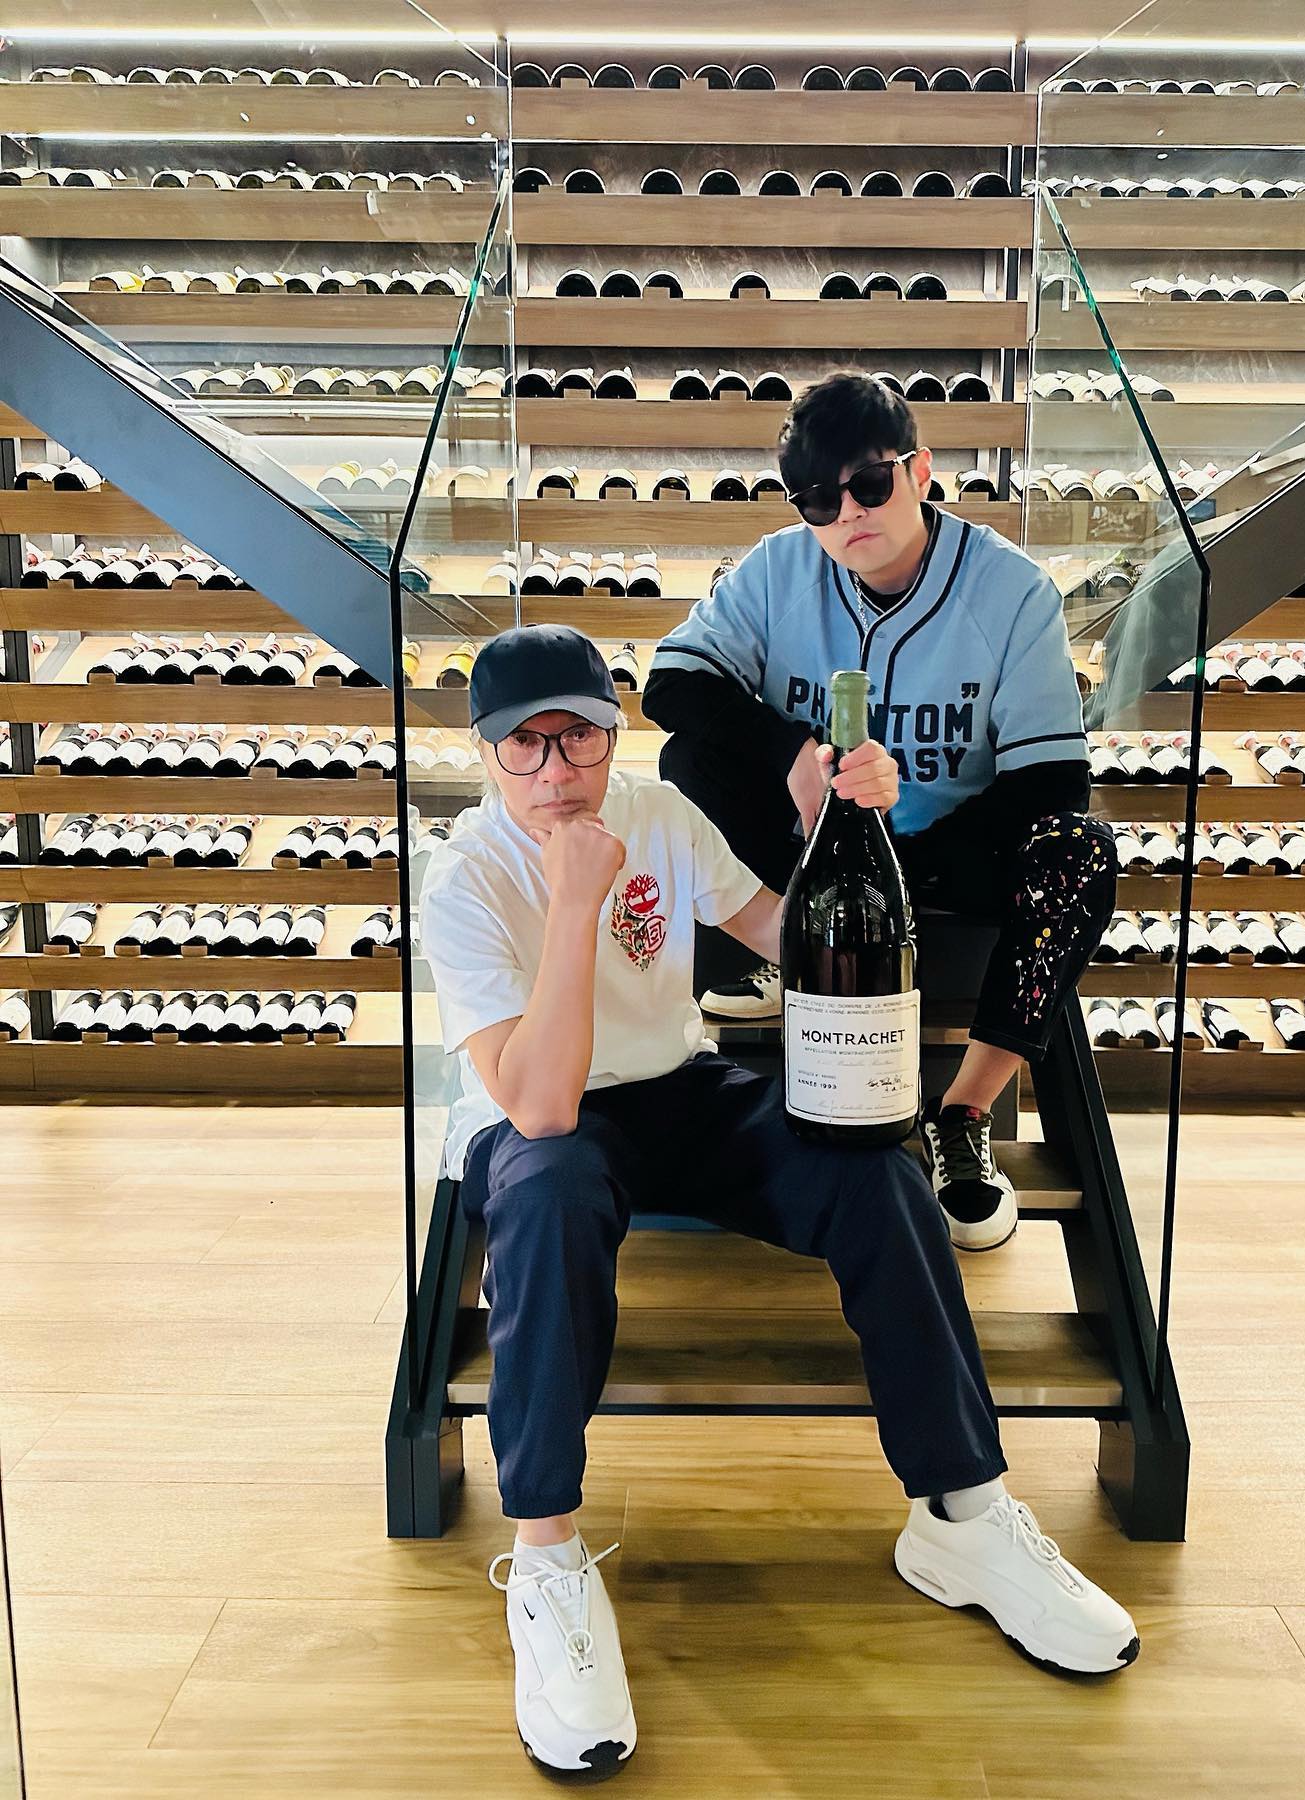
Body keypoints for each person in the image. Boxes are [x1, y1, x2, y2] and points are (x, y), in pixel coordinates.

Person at [420, 623, 1139, 1783]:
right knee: (548, 1195)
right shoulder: (467, 876)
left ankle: (961, 1515)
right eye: (525, 745)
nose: (557, 770)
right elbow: (542, 1106)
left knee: (878, 1169)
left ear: (612, 733)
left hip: (680, 1088)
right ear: (486, 751)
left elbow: (782, 934)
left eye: (580, 737)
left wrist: (830, 826)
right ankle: (547, 1561)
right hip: (547, 1119)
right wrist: (572, 903)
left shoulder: (658, 814)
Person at [644, 370, 1117, 1255]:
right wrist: (792, 752)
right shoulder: (781, 566)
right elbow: (669, 683)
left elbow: (1053, 784)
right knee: (689, 760)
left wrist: (902, 856)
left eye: (869, 483)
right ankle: (785, 956)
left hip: (945, 859)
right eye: (820, 501)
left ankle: (963, 1112)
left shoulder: (1012, 590)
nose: (849, 515)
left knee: (1078, 847)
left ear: (920, 471)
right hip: (806, 870)